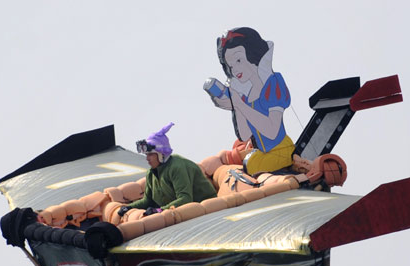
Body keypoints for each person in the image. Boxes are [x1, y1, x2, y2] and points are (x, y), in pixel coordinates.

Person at [207, 27, 294, 175]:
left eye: (239, 60)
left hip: (281, 150)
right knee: (241, 170)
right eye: (231, 65)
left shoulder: (273, 82)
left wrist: (240, 105)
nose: (235, 70)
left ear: (252, 55)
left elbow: (272, 131)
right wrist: (236, 106)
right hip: (262, 153)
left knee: (249, 168)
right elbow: (245, 135)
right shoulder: (246, 94)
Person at [117, 122, 216, 218]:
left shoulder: (177, 167)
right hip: (178, 212)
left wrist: (160, 210)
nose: (147, 158)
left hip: (207, 210)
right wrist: (129, 207)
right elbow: (148, 201)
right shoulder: (151, 173)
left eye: (150, 154)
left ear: (161, 154)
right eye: (146, 155)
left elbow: (185, 198)